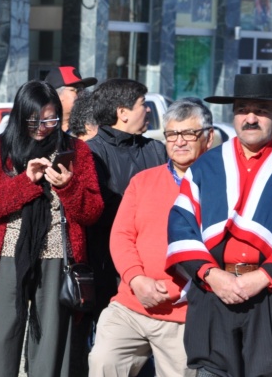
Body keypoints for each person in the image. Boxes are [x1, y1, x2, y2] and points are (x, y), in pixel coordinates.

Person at [0, 81, 103, 377]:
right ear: (20, 115)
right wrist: (25, 181)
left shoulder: (76, 151)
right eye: (34, 120)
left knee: (52, 344)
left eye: (51, 119)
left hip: (58, 257)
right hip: (8, 255)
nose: (43, 127)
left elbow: (92, 211)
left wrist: (67, 186)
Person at [166, 73, 272, 377]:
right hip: (212, 293)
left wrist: (265, 276)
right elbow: (182, 225)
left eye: (261, 110)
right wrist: (211, 275)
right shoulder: (207, 165)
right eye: (243, 109)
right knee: (211, 372)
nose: (251, 118)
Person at [88, 99, 216, 377]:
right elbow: (121, 236)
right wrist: (136, 279)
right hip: (131, 304)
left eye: (188, 134)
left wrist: (177, 291)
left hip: (185, 313)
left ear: (208, 137)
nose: (179, 142)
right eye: (171, 134)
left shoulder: (220, 187)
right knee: (103, 361)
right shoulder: (143, 181)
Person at [42, 66, 98, 132]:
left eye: (82, 90)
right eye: (74, 90)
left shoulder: (92, 129)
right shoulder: (41, 128)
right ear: (56, 95)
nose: (82, 94)